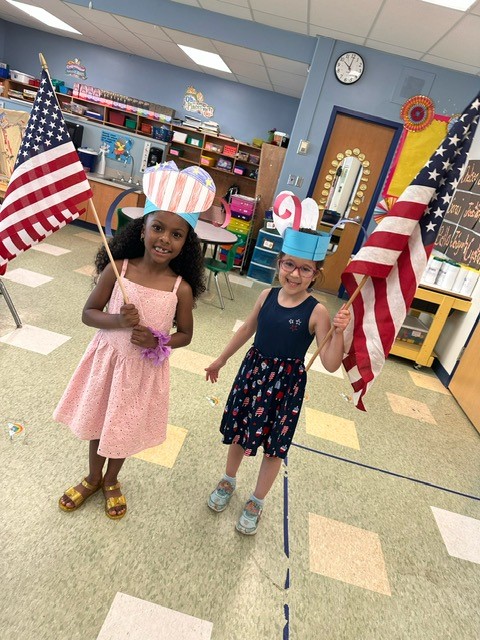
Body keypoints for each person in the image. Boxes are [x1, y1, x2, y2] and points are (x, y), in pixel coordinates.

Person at [55, 162, 215, 519]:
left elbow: (186, 336)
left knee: (123, 425)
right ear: (142, 228)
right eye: (158, 227)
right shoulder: (119, 268)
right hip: (108, 361)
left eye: (177, 234)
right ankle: (93, 476)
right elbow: (88, 313)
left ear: (186, 243)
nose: (164, 239)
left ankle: (112, 480)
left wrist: (158, 341)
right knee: (100, 419)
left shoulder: (181, 289)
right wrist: (116, 320)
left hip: (142, 371)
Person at [205, 225, 351, 535]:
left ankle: (257, 500)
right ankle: (228, 479)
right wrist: (221, 358)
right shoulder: (266, 295)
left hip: (285, 387)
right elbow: (247, 329)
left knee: (274, 446)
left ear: (315, 273)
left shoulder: (318, 311)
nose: (295, 274)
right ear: (279, 263)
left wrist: (339, 332)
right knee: (240, 432)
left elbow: (331, 361)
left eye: (305, 268)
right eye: (289, 264)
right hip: (252, 374)